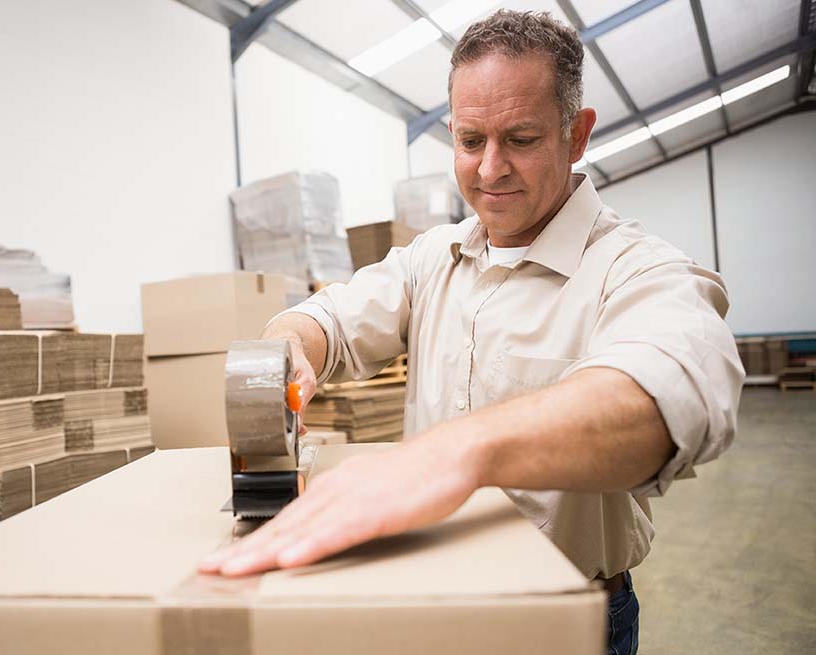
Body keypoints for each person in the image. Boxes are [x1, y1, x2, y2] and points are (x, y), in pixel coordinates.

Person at [199, 10, 743, 655]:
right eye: (468, 140)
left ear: (577, 135)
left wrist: (455, 453)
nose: (489, 170)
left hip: (564, 620)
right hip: (429, 604)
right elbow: (332, 318)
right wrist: (292, 342)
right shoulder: (434, 258)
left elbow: (672, 397)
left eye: (520, 138)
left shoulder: (637, 269)